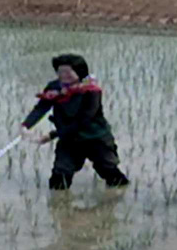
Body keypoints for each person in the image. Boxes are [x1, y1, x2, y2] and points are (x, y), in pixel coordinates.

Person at [20, 54, 130, 190]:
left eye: (67, 72)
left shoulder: (91, 91)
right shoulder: (54, 88)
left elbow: (83, 120)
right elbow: (42, 107)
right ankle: (59, 207)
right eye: (60, 72)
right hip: (68, 139)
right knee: (59, 177)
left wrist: (51, 135)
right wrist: (26, 126)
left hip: (95, 137)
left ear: (80, 71)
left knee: (109, 172)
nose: (63, 75)